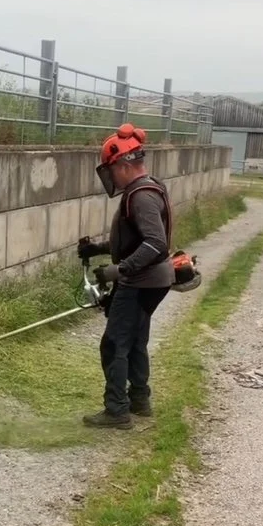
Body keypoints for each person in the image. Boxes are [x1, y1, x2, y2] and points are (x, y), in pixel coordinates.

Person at [78, 123, 174, 430]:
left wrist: (118, 270)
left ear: (124, 164)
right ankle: (140, 400)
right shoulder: (143, 189)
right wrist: (98, 249)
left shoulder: (141, 196)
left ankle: (117, 410)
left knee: (114, 343)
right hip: (150, 279)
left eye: (111, 169)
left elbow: (156, 244)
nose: (111, 176)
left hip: (141, 281)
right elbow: (133, 241)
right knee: (134, 340)